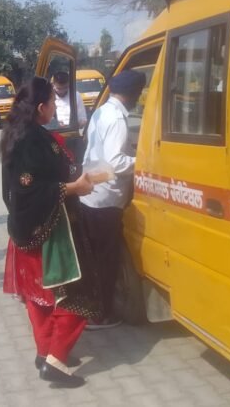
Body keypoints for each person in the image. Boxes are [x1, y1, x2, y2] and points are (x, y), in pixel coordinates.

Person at [0, 76, 101, 388]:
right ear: (41, 107)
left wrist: (77, 176)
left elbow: (17, 189)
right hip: (49, 232)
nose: (56, 106)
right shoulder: (32, 140)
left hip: (25, 230)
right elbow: (31, 189)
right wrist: (74, 188)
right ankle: (55, 361)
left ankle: (44, 352)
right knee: (78, 293)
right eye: (53, 102)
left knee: (40, 296)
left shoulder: (18, 134)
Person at [79, 70, 146, 329]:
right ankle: (101, 314)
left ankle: (91, 307)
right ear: (133, 94)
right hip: (107, 199)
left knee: (95, 258)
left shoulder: (102, 111)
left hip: (93, 195)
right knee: (107, 259)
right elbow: (116, 162)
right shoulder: (117, 119)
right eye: (139, 94)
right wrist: (145, 160)